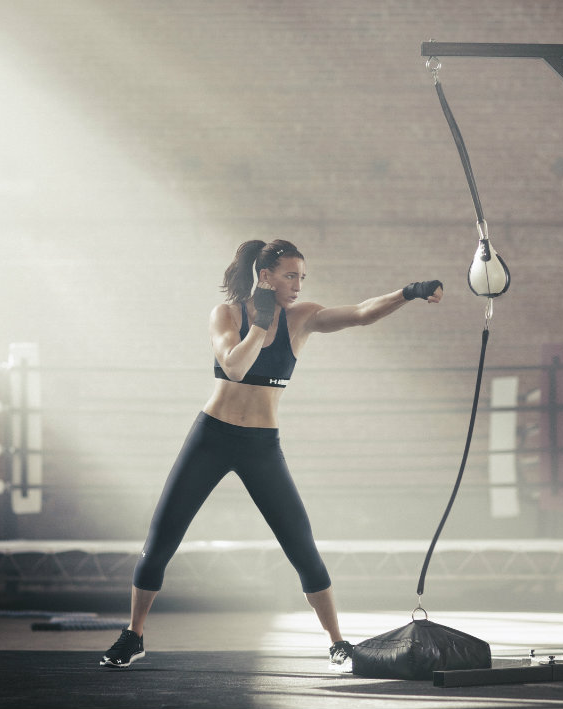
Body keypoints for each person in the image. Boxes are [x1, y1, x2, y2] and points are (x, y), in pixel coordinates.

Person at [100, 239, 443, 672]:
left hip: (261, 445)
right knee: (161, 538)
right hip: (212, 436)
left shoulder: (303, 318)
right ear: (265, 276)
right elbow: (235, 367)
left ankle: (338, 642)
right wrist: (260, 325)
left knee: (301, 545)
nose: (298, 285)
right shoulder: (226, 314)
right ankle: (134, 635)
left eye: (302, 277)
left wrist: (408, 292)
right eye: (289, 275)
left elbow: (359, 314)